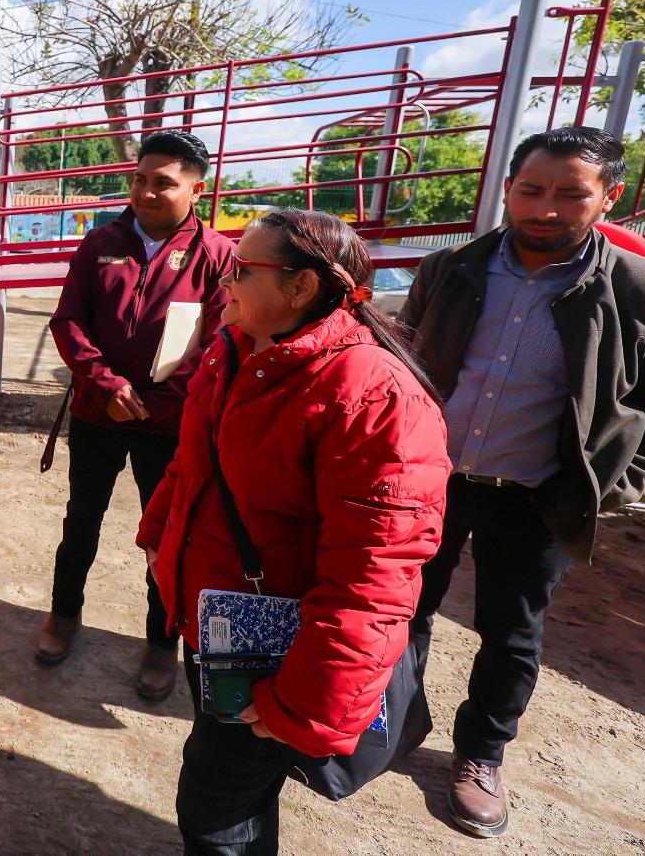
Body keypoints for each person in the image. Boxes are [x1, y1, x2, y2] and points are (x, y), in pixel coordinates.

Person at [399, 126, 645, 840]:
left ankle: (479, 756)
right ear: (508, 189)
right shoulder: (450, 269)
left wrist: (613, 488)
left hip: (540, 498)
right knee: (401, 608)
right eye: (531, 190)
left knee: (510, 633)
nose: (546, 209)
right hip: (429, 482)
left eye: (572, 194)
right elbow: (404, 362)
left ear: (609, 197)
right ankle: (388, 723)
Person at [136, 208, 450, 853]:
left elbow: (376, 577)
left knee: (216, 810)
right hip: (224, 625)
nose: (225, 280)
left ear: (302, 288)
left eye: (242, 269)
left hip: (280, 656)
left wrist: (300, 704)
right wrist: (160, 539)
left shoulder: (373, 397)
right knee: (225, 789)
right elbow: (194, 466)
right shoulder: (237, 350)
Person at [36, 129, 235, 701]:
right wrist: (108, 384)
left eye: (164, 183)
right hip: (99, 414)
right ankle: (63, 616)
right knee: (82, 522)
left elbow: (220, 345)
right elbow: (69, 322)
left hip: (170, 427)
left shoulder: (219, 257)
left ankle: (159, 642)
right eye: (139, 180)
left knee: (168, 537)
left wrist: (157, 402)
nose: (146, 192)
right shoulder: (100, 242)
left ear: (198, 189)